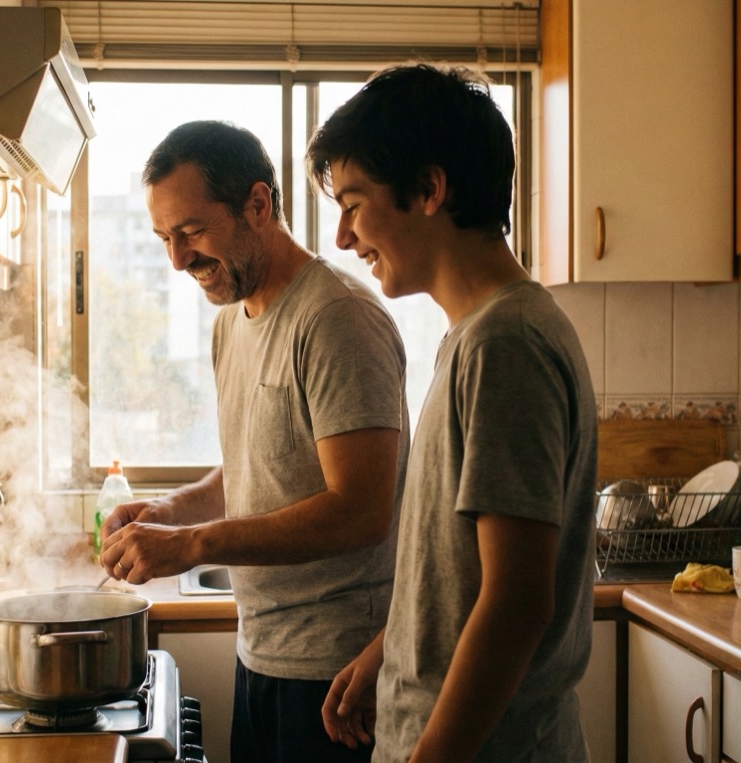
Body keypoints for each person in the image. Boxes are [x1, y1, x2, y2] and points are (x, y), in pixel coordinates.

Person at [306, 63, 598, 762]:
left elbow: (517, 601)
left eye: (353, 202)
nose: (344, 237)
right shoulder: (476, 336)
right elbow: (464, 569)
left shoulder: (506, 345)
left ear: (429, 190)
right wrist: (390, 649)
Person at [99, 119, 410, 762]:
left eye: (190, 232)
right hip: (262, 654)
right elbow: (255, 466)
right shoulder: (232, 323)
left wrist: (191, 543)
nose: (177, 260)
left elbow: (362, 509)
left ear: (258, 206)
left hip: (339, 678)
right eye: (164, 238)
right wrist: (167, 513)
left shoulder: (336, 319)